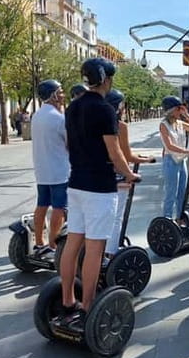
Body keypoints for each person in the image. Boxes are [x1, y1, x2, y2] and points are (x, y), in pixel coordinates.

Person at [56, 58, 140, 329]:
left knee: (72, 244)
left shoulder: (73, 107)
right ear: (106, 79)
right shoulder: (105, 110)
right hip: (99, 188)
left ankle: (68, 300)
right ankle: (88, 305)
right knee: (95, 248)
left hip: (76, 183)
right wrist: (129, 174)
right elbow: (114, 151)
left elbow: (70, 145)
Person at [105, 88, 155, 257]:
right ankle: (111, 252)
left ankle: (96, 253)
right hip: (119, 175)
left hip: (97, 176)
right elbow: (126, 155)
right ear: (118, 106)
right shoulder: (120, 126)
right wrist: (145, 160)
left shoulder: (92, 122)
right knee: (116, 217)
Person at [30, 79, 69, 260]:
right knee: (59, 208)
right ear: (53, 95)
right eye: (60, 91)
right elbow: (70, 144)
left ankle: (39, 242)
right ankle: (53, 245)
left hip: (42, 169)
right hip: (59, 171)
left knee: (42, 205)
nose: (63, 94)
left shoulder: (37, 115)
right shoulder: (58, 118)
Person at [159, 96, 189, 220]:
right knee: (171, 193)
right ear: (170, 110)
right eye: (178, 109)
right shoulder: (164, 125)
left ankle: (180, 218)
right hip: (170, 161)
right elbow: (170, 146)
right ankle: (167, 220)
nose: (179, 111)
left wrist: (186, 114)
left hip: (182, 161)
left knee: (182, 193)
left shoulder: (180, 123)